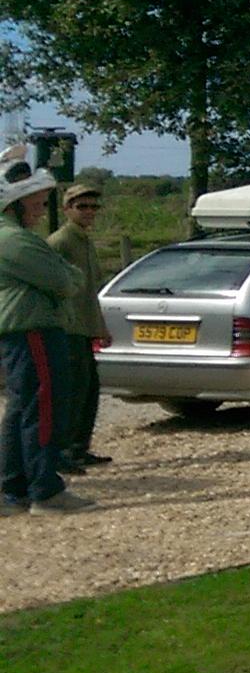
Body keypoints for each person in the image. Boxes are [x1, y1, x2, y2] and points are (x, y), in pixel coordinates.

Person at [0, 144, 87, 513]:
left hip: (20, 331)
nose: (39, 208)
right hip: (33, 329)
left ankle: (12, 489)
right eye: (34, 202)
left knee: (22, 408)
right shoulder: (15, 240)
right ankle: (46, 490)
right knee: (45, 407)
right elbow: (64, 280)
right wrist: (69, 274)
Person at [47, 181, 110, 471]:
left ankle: (79, 447)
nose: (88, 212)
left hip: (84, 327)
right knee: (72, 391)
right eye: (81, 206)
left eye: (93, 207)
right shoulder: (60, 242)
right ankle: (65, 451)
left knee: (89, 390)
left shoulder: (84, 241)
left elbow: (89, 292)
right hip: (68, 328)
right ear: (67, 209)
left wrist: (100, 327)